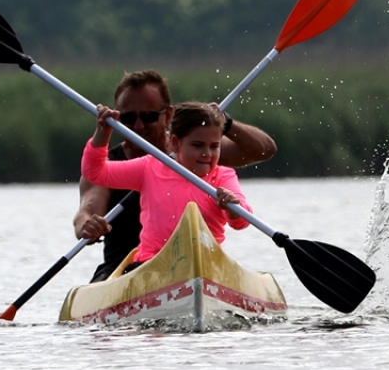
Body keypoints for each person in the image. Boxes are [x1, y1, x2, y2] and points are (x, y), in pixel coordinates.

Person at [73, 70, 276, 282]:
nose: (138, 126)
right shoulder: (128, 164)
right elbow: (86, 209)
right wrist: (86, 225)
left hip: (202, 267)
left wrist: (226, 123)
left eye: (149, 116)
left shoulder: (200, 151)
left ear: (168, 115)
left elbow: (264, 150)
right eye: (128, 118)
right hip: (129, 269)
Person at [81, 101, 252, 272]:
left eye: (214, 146)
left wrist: (232, 208)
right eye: (197, 145)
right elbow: (95, 172)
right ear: (176, 143)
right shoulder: (150, 167)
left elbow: (242, 222)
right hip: (151, 266)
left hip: (208, 267)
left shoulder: (223, 176)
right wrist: (103, 133)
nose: (207, 154)